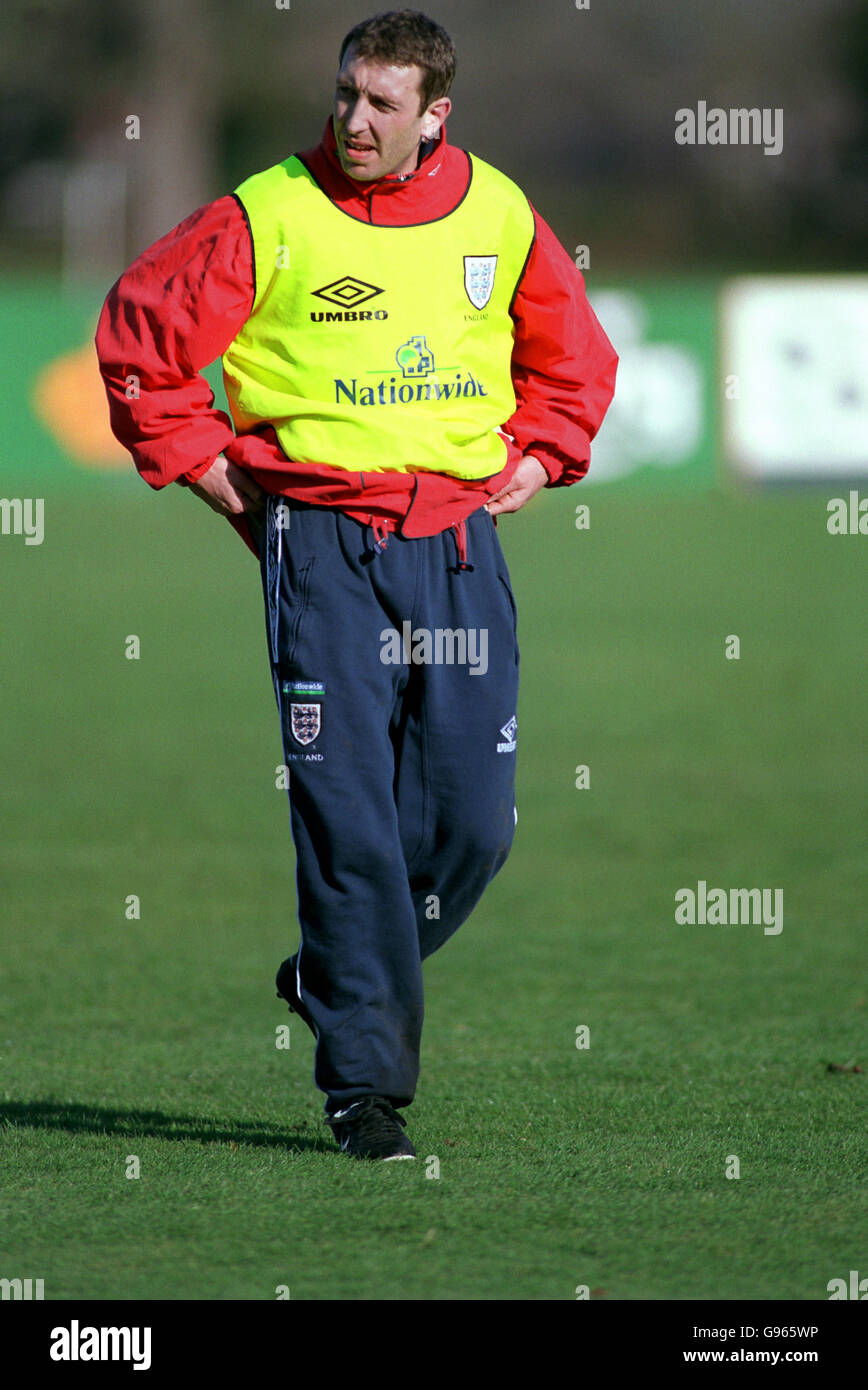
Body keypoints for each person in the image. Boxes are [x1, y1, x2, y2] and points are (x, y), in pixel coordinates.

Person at [96, 8, 618, 1161]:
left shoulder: (497, 208)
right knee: (348, 823)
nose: (355, 120)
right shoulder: (265, 210)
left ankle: (330, 971)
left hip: (458, 545)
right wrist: (212, 474)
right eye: (344, 95)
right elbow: (140, 336)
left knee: (474, 827)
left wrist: (540, 451)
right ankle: (364, 1089)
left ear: (436, 115)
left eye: (382, 103)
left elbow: (574, 357)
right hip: (320, 546)